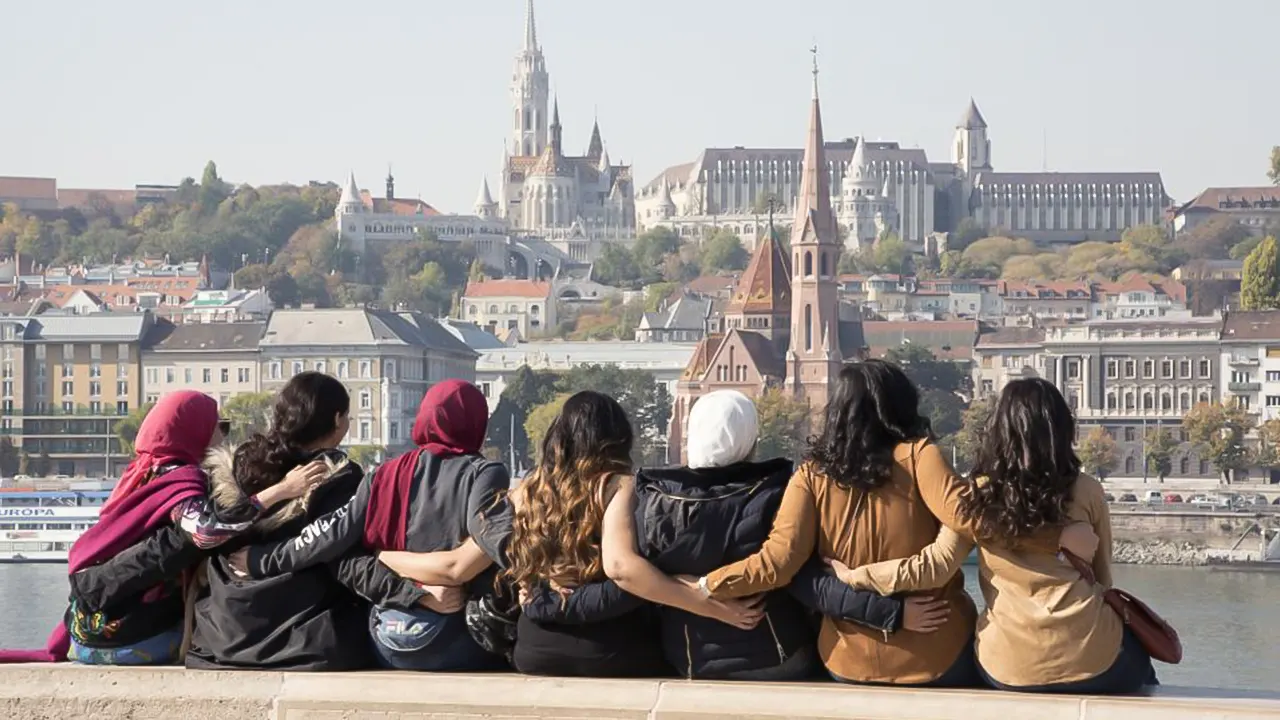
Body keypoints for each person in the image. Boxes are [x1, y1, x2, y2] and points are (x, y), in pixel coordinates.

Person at [529, 390, 925, 681]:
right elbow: (804, 580)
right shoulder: (778, 491)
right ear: (749, 437)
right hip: (776, 656)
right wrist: (890, 613)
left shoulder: (653, 498)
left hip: (688, 660)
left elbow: (634, 580)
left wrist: (541, 599)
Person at [829, 378, 1155, 694]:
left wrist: (857, 575)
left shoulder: (979, 495)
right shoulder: (1087, 490)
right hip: (1091, 659)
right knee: (1140, 661)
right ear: (1062, 431)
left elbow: (936, 565)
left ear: (1000, 432)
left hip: (1007, 666)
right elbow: (1102, 578)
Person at [0, 390, 324, 665]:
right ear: (193, 430)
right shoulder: (181, 479)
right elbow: (204, 532)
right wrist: (279, 492)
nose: (222, 436)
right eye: (218, 426)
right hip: (128, 641)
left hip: (84, 635)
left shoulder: (140, 472)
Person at [230, 379, 510, 671]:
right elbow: (491, 535)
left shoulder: (382, 475)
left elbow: (328, 538)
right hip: (449, 632)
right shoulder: (485, 473)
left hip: (387, 638)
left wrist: (259, 559)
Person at [484, 390, 767, 678]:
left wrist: (538, 598)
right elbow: (621, 569)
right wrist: (703, 601)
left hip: (534, 650)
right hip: (612, 648)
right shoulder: (618, 486)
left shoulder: (528, 491)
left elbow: (492, 537)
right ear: (619, 438)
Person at [182, 372, 436, 670]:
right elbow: (342, 559)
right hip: (298, 639)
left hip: (223, 634)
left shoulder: (238, 464)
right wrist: (416, 597)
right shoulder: (334, 475)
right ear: (337, 419)